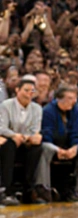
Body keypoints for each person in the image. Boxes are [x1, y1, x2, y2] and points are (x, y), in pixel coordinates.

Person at [38, 84, 78, 200]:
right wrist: (58, 149)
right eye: (69, 98)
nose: (73, 101)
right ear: (59, 98)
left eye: (74, 98)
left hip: (69, 146)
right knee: (45, 148)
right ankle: (44, 190)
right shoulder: (48, 111)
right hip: (53, 145)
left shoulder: (76, 110)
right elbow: (46, 133)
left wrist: (74, 147)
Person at [0, 75, 45, 204]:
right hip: (8, 141)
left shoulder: (37, 108)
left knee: (37, 147)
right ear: (17, 90)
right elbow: (2, 127)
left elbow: (35, 129)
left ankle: (29, 191)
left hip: (25, 141)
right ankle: (6, 191)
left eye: (32, 91)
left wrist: (29, 137)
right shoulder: (6, 105)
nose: (29, 93)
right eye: (26, 90)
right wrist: (14, 135)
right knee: (9, 145)